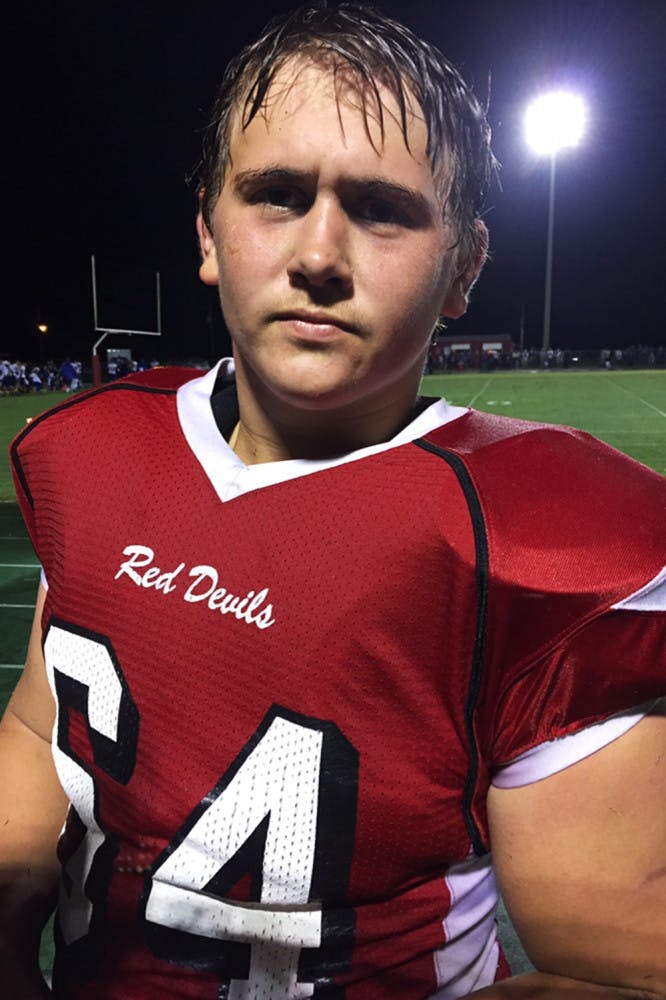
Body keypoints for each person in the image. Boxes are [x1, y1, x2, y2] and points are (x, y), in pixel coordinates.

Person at [1, 4, 664, 998]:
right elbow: (36, 734)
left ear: (464, 269)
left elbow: (616, 969)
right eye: (274, 194)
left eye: (382, 208)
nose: (318, 254)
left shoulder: (543, 537)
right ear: (209, 234)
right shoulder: (91, 449)